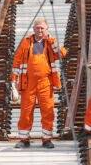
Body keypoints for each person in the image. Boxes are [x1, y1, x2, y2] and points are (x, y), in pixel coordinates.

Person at [9, 17, 65, 148]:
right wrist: (13, 82)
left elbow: (62, 53)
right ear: (33, 29)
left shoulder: (51, 42)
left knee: (48, 111)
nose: (39, 30)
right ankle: (24, 139)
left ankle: (46, 139)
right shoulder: (26, 42)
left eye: (42, 28)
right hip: (28, 83)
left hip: (45, 82)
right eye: (37, 28)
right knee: (26, 111)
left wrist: (51, 39)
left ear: (47, 29)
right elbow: (16, 62)